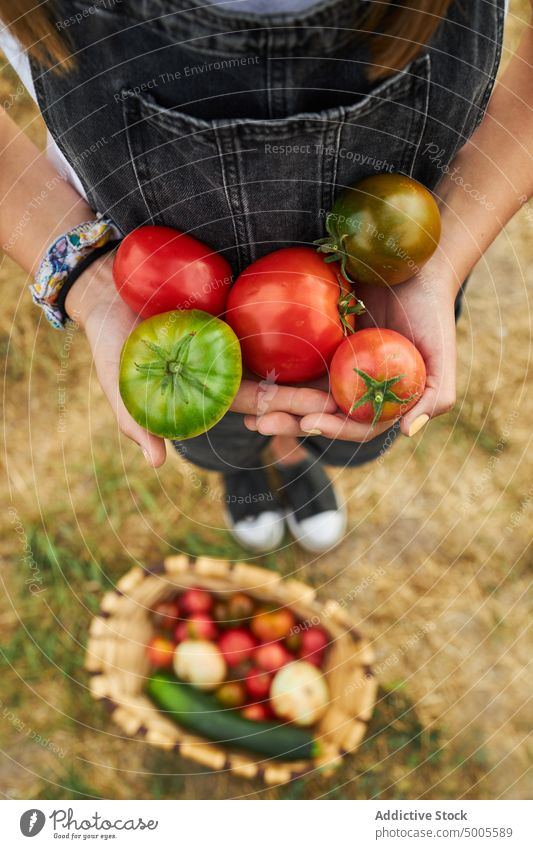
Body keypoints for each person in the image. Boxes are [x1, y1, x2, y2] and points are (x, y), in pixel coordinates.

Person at [1, 0, 531, 553]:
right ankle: (253, 464)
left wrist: (443, 261)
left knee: (346, 436)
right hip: (182, 336)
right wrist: (84, 276)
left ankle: (293, 453)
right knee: (222, 437)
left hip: (378, 323)